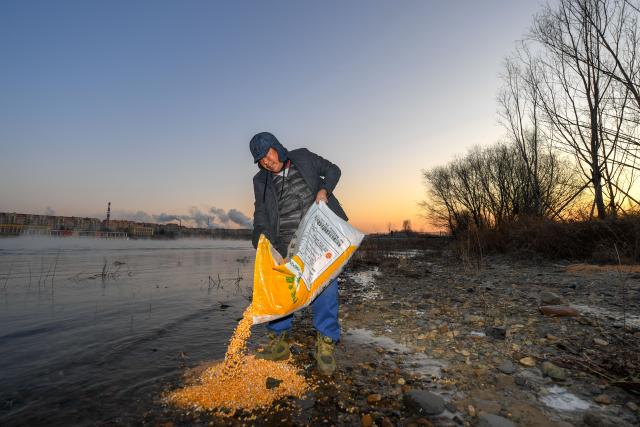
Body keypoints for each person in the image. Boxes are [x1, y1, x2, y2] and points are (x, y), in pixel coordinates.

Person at [249, 131, 348, 376]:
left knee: (325, 287)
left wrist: (324, 190)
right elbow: (260, 213)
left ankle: (325, 344)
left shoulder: (303, 157)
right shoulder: (260, 181)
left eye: (267, 154)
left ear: (277, 147)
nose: (266, 162)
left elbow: (334, 169)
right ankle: (279, 343)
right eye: (260, 160)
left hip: (318, 236)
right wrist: (261, 239)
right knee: (281, 291)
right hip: (285, 243)